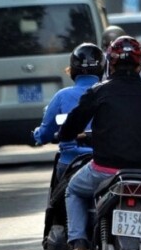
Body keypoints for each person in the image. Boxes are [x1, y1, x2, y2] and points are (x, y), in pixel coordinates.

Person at [60, 36, 141, 250]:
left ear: (110, 64)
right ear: (140, 66)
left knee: (73, 190)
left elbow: (72, 125)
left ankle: (80, 244)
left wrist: (65, 134)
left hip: (102, 171)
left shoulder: (99, 91)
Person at [32, 43, 105, 180]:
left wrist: (38, 135)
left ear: (72, 70)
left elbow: (45, 132)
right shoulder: (109, 93)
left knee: (67, 195)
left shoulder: (62, 96)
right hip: (106, 161)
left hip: (71, 161)